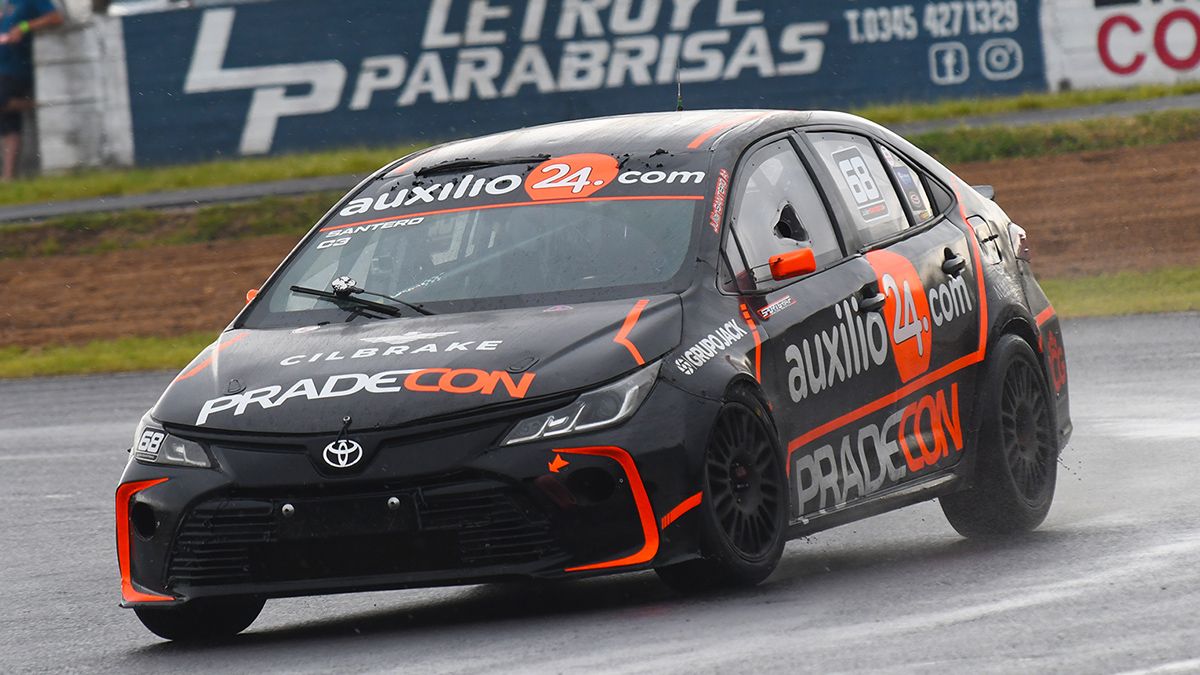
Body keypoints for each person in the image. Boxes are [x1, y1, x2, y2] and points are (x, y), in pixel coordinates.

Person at [0, 0, 62, 181]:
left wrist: (25, 26)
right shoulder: (7, 3)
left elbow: (56, 17)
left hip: (16, 69)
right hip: (2, 67)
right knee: (9, 124)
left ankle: (36, 105)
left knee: (3, 103)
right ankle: (8, 177)